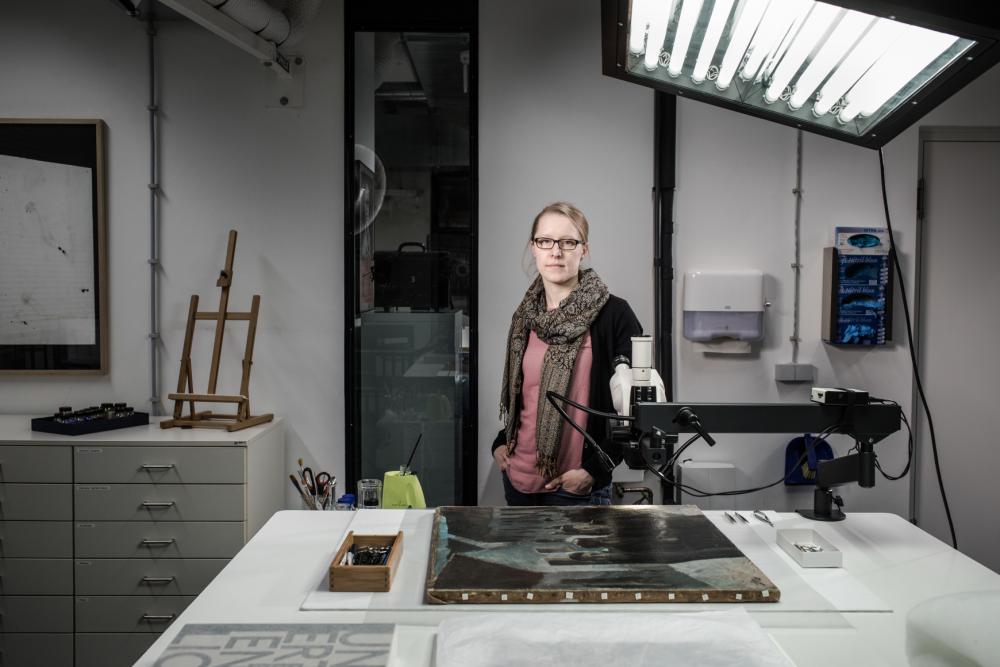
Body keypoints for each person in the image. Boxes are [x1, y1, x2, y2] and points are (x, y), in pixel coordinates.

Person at [492, 201, 643, 506]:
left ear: (583, 249)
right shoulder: (524, 317)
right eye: (545, 241)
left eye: (567, 242)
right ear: (533, 248)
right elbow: (525, 397)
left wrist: (597, 469)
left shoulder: (614, 315)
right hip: (519, 480)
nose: (555, 251)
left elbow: (639, 405)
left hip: (577, 487)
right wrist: (500, 443)